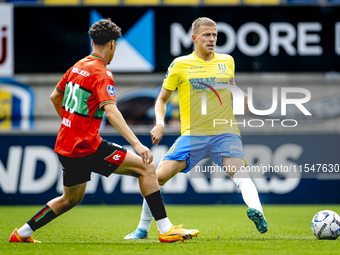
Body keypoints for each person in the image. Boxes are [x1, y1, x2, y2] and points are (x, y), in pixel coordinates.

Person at [9, 18, 198, 244]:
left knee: (70, 199)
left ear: (91, 42)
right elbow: (111, 112)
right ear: (112, 44)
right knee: (146, 168)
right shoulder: (102, 73)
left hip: (66, 146)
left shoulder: (77, 66)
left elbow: (54, 97)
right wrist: (138, 145)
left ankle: (21, 233)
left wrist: (71, 123)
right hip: (87, 146)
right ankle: (165, 229)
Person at [125, 17, 268, 240]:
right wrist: (160, 124)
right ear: (194, 38)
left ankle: (257, 211)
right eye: (207, 35)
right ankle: (142, 229)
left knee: (240, 173)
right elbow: (161, 100)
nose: (212, 39)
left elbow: (230, 86)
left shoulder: (227, 61)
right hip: (193, 135)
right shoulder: (180, 65)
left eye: (215, 35)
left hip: (225, 132)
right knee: (157, 176)